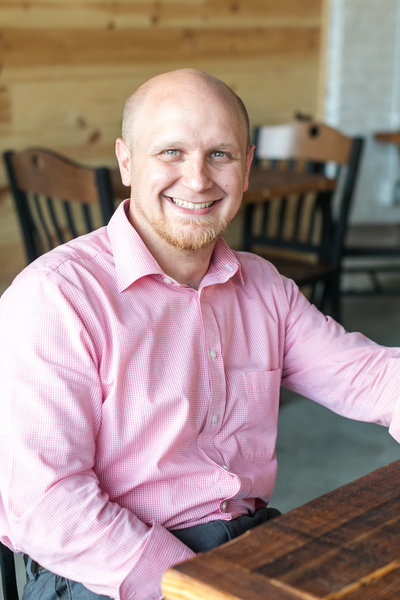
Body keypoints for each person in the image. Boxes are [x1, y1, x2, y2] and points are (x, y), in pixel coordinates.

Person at [0, 68, 399, 600]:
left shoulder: (262, 285)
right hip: (105, 571)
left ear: (247, 167)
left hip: (243, 545)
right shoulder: (56, 297)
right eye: (171, 152)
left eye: (220, 155)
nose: (197, 179)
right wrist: (193, 584)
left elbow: (368, 376)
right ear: (126, 161)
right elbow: (47, 507)